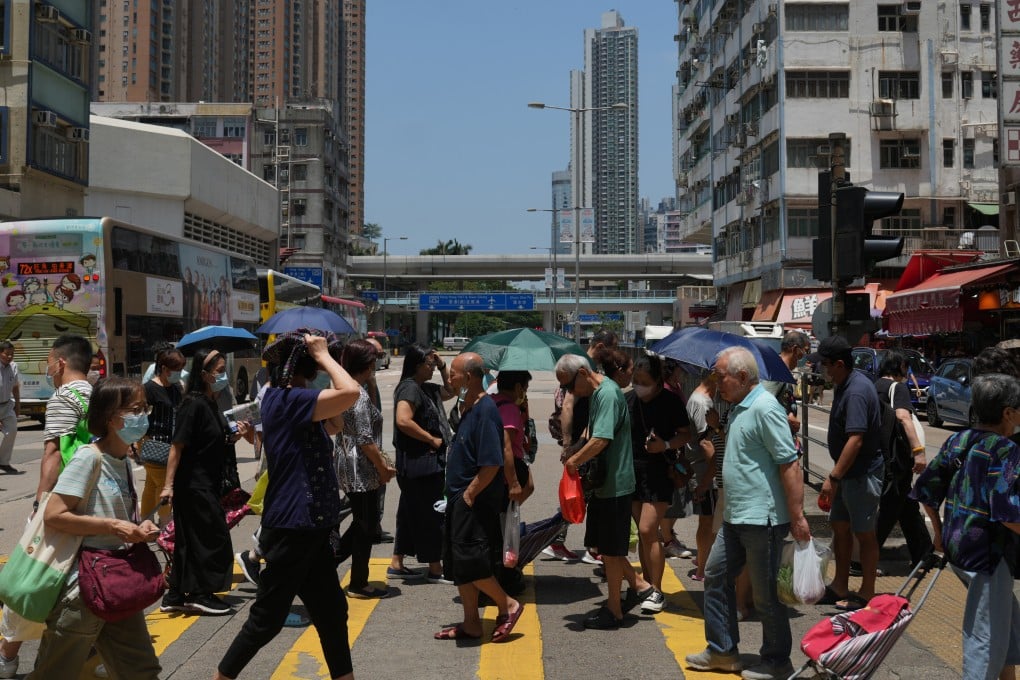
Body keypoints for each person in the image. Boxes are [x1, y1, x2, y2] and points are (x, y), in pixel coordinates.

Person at [215, 331, 361, 680]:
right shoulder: (287, 398)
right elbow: (351, 393)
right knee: (266, 620)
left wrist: (326, 372)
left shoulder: (291, 400)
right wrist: (326, 356)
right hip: (294, 526)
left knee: (331, 611)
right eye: (317, 364)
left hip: (312, 525)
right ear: (307, 366)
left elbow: (337, 421)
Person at [685, 347, 810, 680]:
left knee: (766, 594)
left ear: (742, 377)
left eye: (719, 375)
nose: (716, 382)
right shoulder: (739, 407)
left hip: (762, 518)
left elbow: (789, 463)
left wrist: (797, 515)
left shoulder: (765, 408)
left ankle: (777, 661)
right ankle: (722, 651)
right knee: (714, 575)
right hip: (736, 515)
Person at [27, 377, 162, 679]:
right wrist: (114, 526)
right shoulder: (89, 458)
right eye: (137, 409)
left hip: (118, 583)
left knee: (142, 671)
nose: (144, 416)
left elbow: (117, 516)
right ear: (113, 417)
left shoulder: (123, 459)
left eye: (144, 408)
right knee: (55, 673)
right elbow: (53, 514)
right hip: (84, 588)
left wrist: (139, 527)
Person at [911, 373, 1020, 680]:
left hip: (958, 548)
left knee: (1006, 620)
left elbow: (926, 491)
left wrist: (938, 533)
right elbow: (1007, 512)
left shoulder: (957, 439)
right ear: (1007, 413)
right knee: (984, 638)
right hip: (988, 555)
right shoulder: (1005, 449)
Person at [1, 334, 94, 679]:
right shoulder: (101, 394)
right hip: (95, 499)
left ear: (61, 362)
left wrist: (39, 501)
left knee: (34, 574)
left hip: (63, 499)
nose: (48, 367)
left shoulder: (62, 397)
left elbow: (53, 454)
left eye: (50, 360)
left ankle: (7, 656)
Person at [557, 353, 653, 629]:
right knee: (606, 549)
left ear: (584, 374)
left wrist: (576, 460)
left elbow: (601, 438)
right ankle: (636, 590)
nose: (569, 392)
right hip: (604, 484)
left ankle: (617, 608)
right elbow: (591, 431)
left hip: (615, 484)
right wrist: (573, 448)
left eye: (569, 386)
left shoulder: (607, 394)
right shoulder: (599, 394)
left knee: (611, 551)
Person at [433, 353, 524, 643]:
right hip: (459, 496)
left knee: (472, 561)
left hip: (472, 499)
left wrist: (470, 494)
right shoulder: (470, 406)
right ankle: (471, 622)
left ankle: (507, 604)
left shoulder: (486, 410)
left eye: (454, 375)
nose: (449, 379)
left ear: (470, 378)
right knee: (459, 564)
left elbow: (492, 462)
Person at [160, 348, 251, 616]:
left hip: (206, 482)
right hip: (193, 485)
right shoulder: (194, 403)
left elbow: (212, 441)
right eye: (219, 371)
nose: (224, 376)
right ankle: (201, 593)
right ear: (204, 374)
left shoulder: (211, 402)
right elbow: (177, 446)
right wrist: (168, 485)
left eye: (225, 370)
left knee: (190, 540)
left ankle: (175, 593)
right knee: (213, 537)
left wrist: (234, 436)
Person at [816, 335, 884, 610]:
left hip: (861, 473)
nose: (823, 370)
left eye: (826, 365)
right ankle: (839, 585)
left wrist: (832, 478)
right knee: (840, 527)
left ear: (840, 364)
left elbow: (856, 439)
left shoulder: (856, 391)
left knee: (864, 533)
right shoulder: (845, 384)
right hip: (847, 475)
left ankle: (867, 592)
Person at [545, 329, 620, 562]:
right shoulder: (583, 369)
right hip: (581, 443)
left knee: (582, 494)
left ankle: (591, 545)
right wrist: (570, 446)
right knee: (579, 495)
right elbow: (567, 407)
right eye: (611, 348)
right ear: (599, 346)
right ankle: (558, 540)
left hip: (582, 441)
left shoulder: (577, 365)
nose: (613, 354)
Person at [627, 354, 690, 613]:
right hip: (632, 472)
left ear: (657, 381)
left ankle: (657, 590)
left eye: (643, 381)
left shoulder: (671, 401)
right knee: (645, 536)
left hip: (659, 472)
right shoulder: (627, 400)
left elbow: (686, 434)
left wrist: (664, 444)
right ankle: (648, 588)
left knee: (647, 530)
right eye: (635, 380)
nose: (638, 385)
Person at [334, 339, 396, 598]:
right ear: (367, 363)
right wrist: (383, 467)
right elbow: (365, 438)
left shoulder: (349, 388)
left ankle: (340, 568)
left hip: (350, 464)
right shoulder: (357, 395)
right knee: (366, 524)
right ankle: (357, 581)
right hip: (360, 467)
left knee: (364, 523)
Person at [389, 343, 455, 582]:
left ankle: (397, 561)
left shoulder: (424, 388)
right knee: (431, 513)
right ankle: (435, 567)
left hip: (419, 463)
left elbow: (452, 390)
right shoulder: (410, 389)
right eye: (429, 364)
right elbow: (403, 420)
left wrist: (443, 366)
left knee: (409, 512)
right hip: (420, 462)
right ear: (417, 366)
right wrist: (431, 439)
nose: (432, 368)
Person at [874, 351, 933, 567]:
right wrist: (918, 451)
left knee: (906, 504)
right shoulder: (896, 388)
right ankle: (861, 559)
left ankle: (924, 554)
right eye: (905, 367)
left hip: (878, 456)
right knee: (890, 509)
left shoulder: (873, 386)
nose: (906, 372)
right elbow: (903, 417)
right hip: (896, 458)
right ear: (898, 367)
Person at [140, 346, 185, 524]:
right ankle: (165, 524)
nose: (179, 373)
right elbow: (139, 416)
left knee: (151, 486)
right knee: (164, 485)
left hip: (170, 446)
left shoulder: (176, 389)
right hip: (154, 445)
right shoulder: (148, 389)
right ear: (164, 368)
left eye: (181, 369)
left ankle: (146, 521)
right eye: (176, 370)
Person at [492, 370, 535, 506]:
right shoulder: (510, 409)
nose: (525, 394)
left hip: (493, 466)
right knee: (507, 513)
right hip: (506, 470)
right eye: (525, 389)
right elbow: (506, 447)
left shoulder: (491, 400)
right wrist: (513, 482)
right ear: (518, 388)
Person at [0, 340, 21, 474]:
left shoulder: (13, 366)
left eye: (12, 354)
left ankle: (3, 462)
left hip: (7, 404)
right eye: (7, 354)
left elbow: (15, 387)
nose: (9, 357)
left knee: (12, 430)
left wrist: (18, 405)